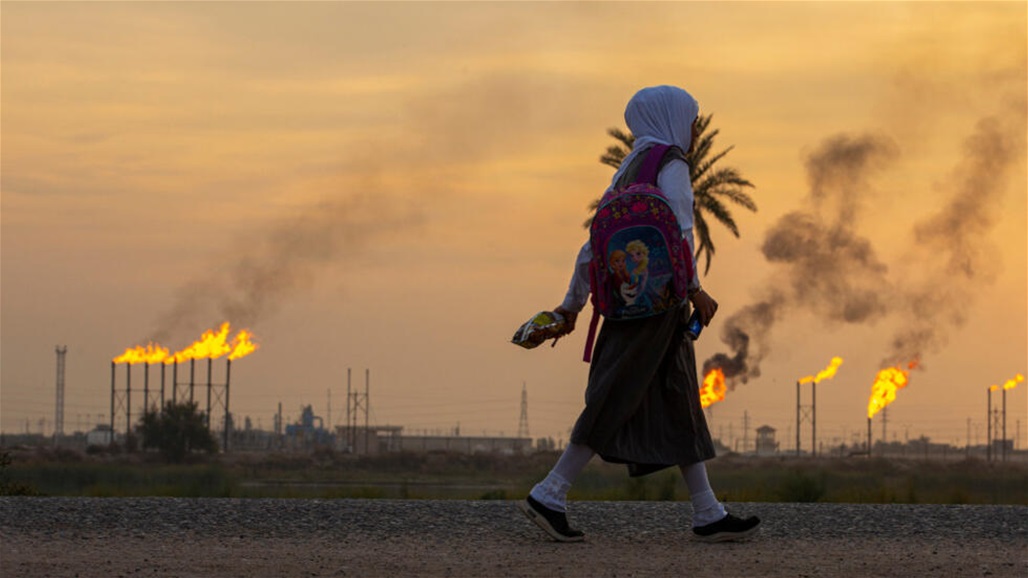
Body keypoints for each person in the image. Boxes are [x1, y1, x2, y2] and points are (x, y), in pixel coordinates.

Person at [518, 85, 760, 543]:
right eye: (692, 120)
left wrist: (571, 306)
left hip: (629, 306)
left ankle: (708, 513)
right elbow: (682, 233)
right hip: (659, 307)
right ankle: (549, 494)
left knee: (680, 399)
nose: (694, 130)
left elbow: (594, 246)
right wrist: (696, 290)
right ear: (672, 120)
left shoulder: (625, 171)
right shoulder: (671, 165)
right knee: (613, 396)